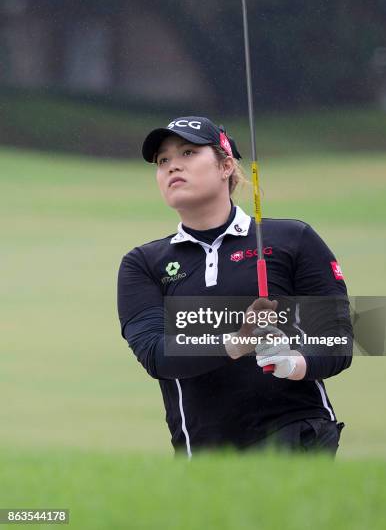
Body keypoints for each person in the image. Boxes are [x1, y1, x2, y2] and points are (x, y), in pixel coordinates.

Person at [117, 116, 353, 457]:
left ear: (226, 165)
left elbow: (336, 339)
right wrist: (239, 341)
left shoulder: (293, 239)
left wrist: (292, 362)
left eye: (187, 153)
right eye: (163, 161)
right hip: (203, 450)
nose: (172, 167)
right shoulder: (143, 263)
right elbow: (156, 354)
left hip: (297, 433)